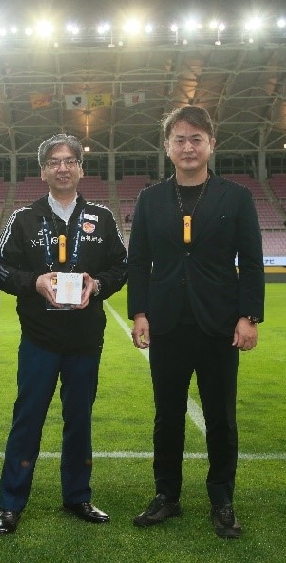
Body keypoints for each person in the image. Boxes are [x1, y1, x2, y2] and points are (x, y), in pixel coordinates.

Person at [127, 105, 265, 539]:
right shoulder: (150, 198)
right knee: (167, 416)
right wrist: (140, 313)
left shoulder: (236, 196)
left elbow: (253, 262)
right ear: (167, 147)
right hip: (167, 324)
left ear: (211, 144)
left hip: (219, 325)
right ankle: (166, 495)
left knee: (221, 418)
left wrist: (248, 316)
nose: (188, 147)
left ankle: (222, 499)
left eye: (196, 139)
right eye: (180, 140)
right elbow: (138, 262)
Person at [0, 133, 127, 534]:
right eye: (54, 162)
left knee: (79, 420)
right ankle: (11, 503)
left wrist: (97, 285)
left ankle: (77, 496)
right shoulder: (23, 218)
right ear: (43, 171)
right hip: (40, 339)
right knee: (27, 419)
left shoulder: (102, 217)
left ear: (81, 169)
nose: (62, 168)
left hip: (86, 340)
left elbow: (122, 267)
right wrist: (33, 282)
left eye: (70, 161)